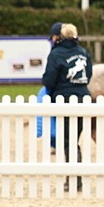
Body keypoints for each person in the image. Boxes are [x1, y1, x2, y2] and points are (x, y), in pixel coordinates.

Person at [42, 23, 93, 192]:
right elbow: (89, 75)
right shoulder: (84, 52)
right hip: (83, 98)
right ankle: (75, 177)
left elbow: (49, 80)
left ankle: (74, 178)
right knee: (74, 139)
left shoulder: (56, 54)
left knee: (67, 140)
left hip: (64, 99)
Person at [35, 22, 63, 153]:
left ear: (57, 37)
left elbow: (51, 75)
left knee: (43, 98)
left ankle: (51, 137)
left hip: (59, 86)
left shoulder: (56, 52)